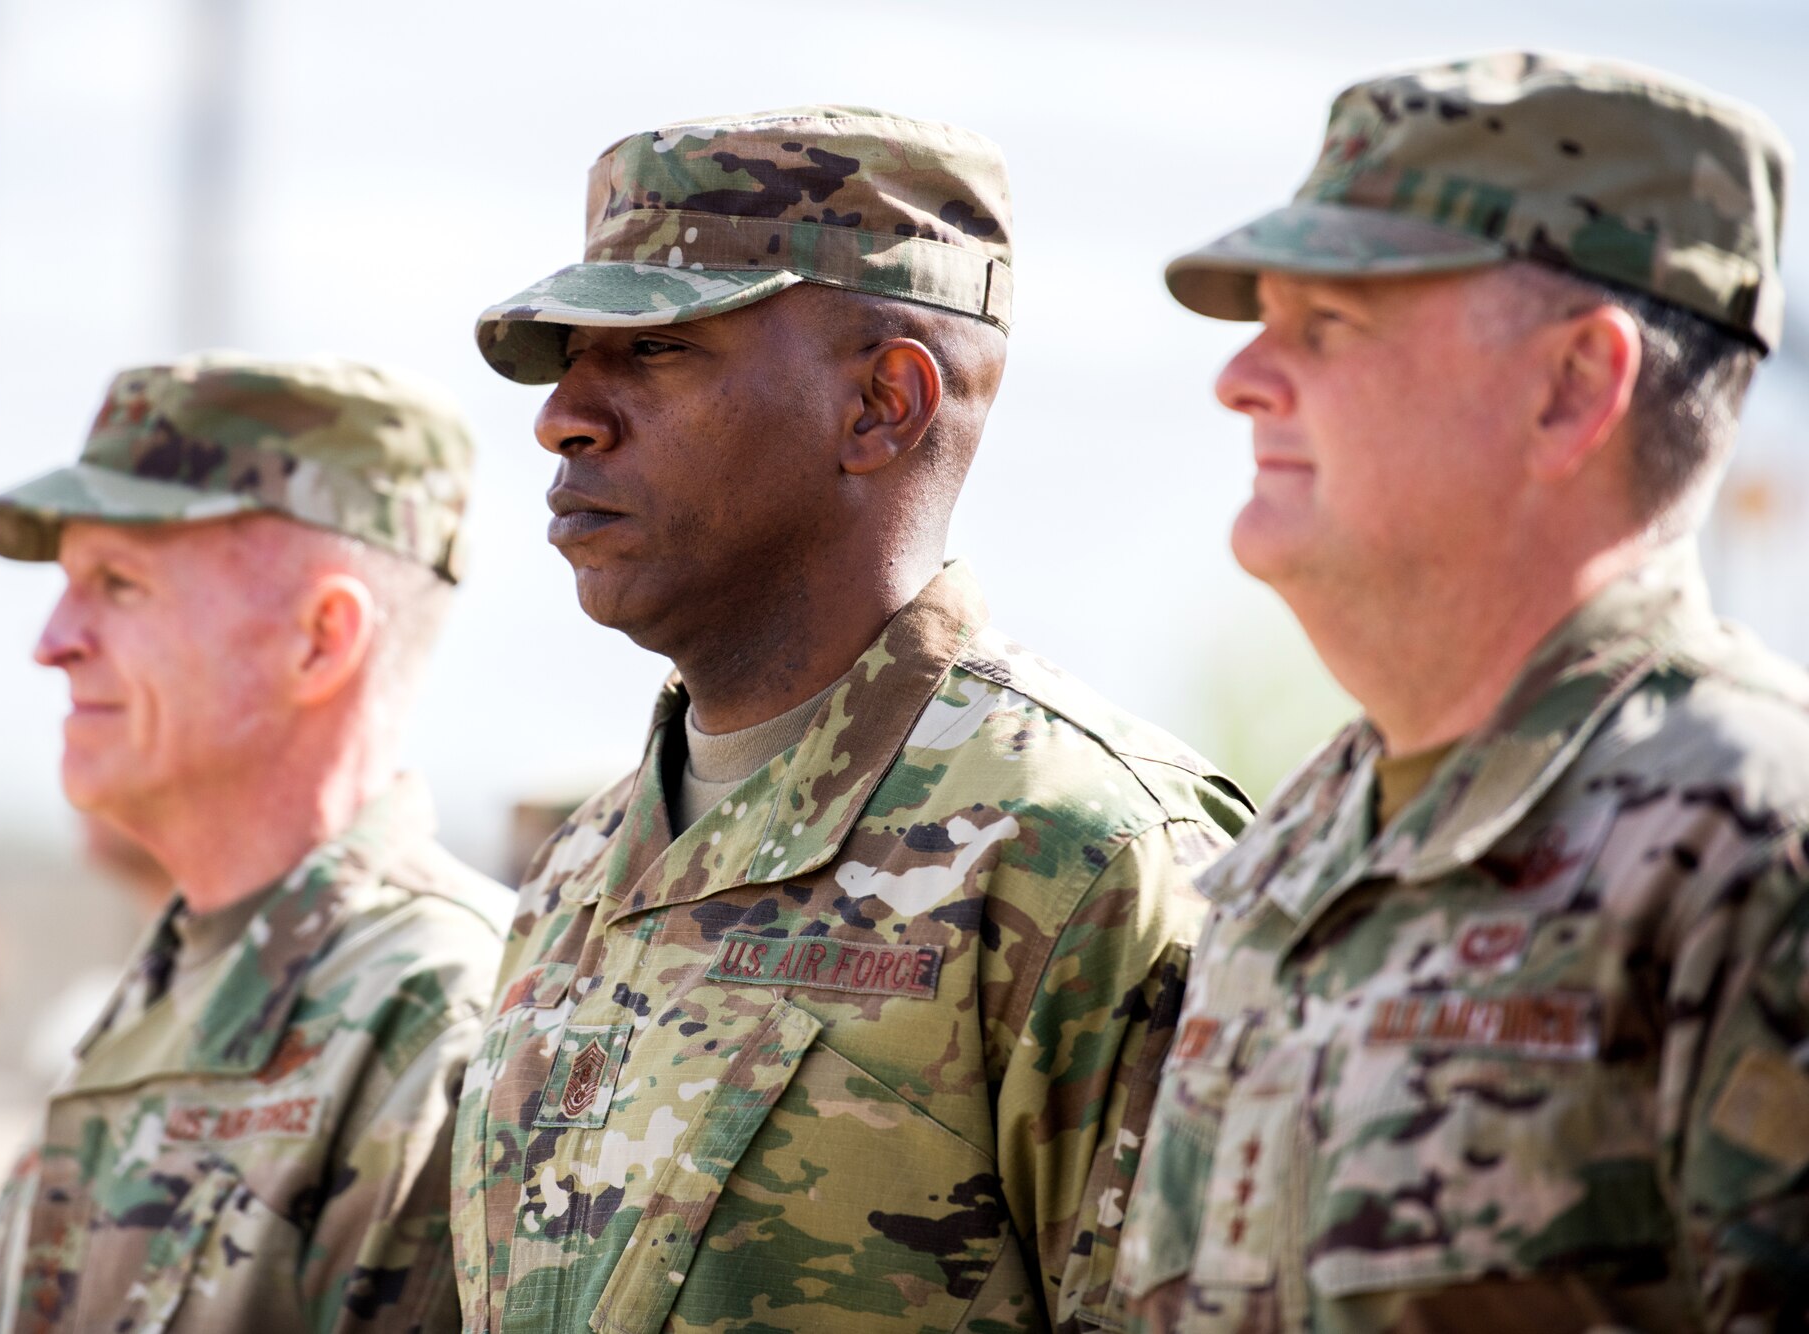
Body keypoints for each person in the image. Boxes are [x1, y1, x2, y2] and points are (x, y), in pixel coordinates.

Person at [447, 106, 1253, 1333]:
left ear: (882, 405)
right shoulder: (575, 871)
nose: (564, 414)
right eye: (568, 355)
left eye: (656, 352)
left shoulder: (1082, 857)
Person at [1113, 52, 1808, 1332]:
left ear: (1570, 388)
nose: (1238, 377)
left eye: (1325, 323)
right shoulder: (1295, 845)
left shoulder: (1751, 838)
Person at [0, 352, 504, 1332]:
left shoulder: (444, 1017)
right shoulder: (170, 985)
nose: (52, 637)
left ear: (319, 639)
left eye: (119, 583)